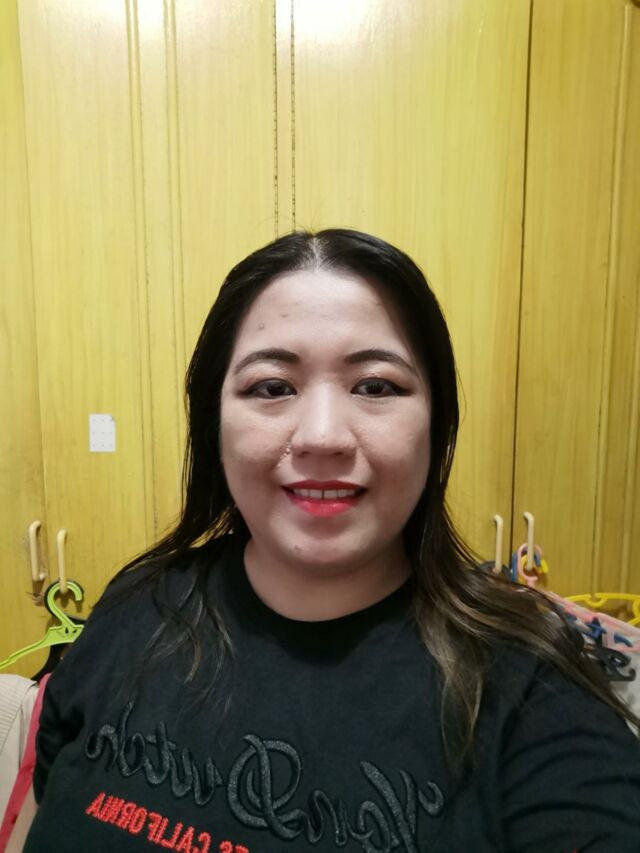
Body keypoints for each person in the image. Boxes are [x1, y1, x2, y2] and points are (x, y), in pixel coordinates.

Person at [19, 229, 640, 852]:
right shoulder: (136, 605)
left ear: (436, 426)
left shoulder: (531, 693)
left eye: (375, 386)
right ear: (213, 424)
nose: (322, 437)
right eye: (272, 387)